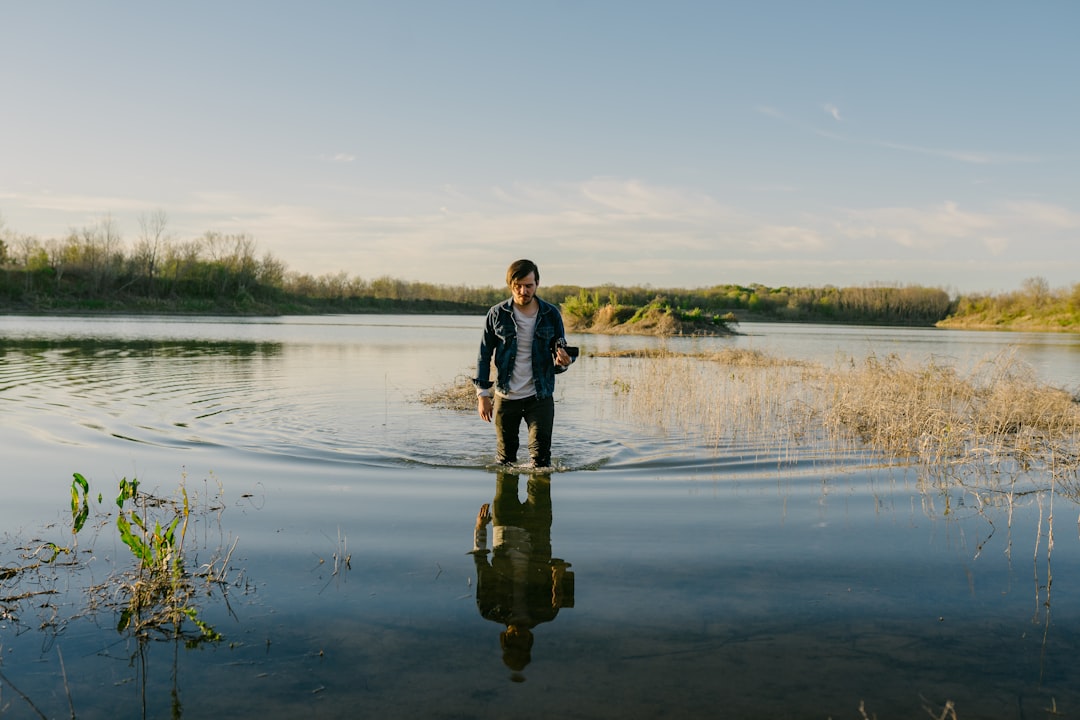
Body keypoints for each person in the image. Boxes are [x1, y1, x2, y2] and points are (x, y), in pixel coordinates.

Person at [469, 471, 574, 678]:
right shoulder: (547, 612)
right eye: (522, 641)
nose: (518, 635)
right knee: (540, 471)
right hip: (538, 527)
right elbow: (563, 567)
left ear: (504, 639)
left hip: (504, 526)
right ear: (530, 641)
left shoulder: (489, 609)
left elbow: (481, 562)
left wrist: (479, 528)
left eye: (513, 640)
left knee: (505, 471)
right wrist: (558, 580)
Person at [473, 259, 574, 468]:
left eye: (528, 285)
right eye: (518, 286)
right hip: (505, 396)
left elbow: (559, 355)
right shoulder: (496, 314)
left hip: (540, 397)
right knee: (505, 461)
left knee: (541, 462)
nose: (523, 291)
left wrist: (564, 362)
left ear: (537, 284)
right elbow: (484, 355)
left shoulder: (551, 314)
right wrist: (483, 395)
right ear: (511, 285)